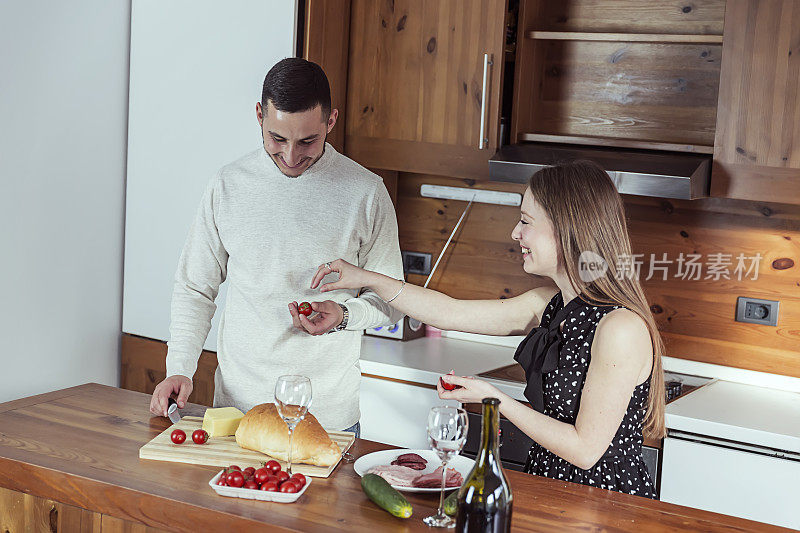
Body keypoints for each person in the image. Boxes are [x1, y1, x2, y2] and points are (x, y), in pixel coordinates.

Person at [311, 160, 666, 498]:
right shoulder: (551, 305)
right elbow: (450, 312)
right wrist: (366, 278)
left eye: (526, 221)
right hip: (550, 486)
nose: (515, 232)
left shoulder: (620, 327)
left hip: (605, 502)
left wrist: (493, 400)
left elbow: (586, 450)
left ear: (565, 228)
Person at [149, 58, 404, 437]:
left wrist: (344, 315)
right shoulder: (228, 185)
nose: (290, 156)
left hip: (329, 420)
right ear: (259, 116)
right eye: (277, 139)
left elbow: (392, 301)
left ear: (330, 122)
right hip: (238, 414)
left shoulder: (366, 193)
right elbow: (195, 287)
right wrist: (179, 367)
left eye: (308, 141)